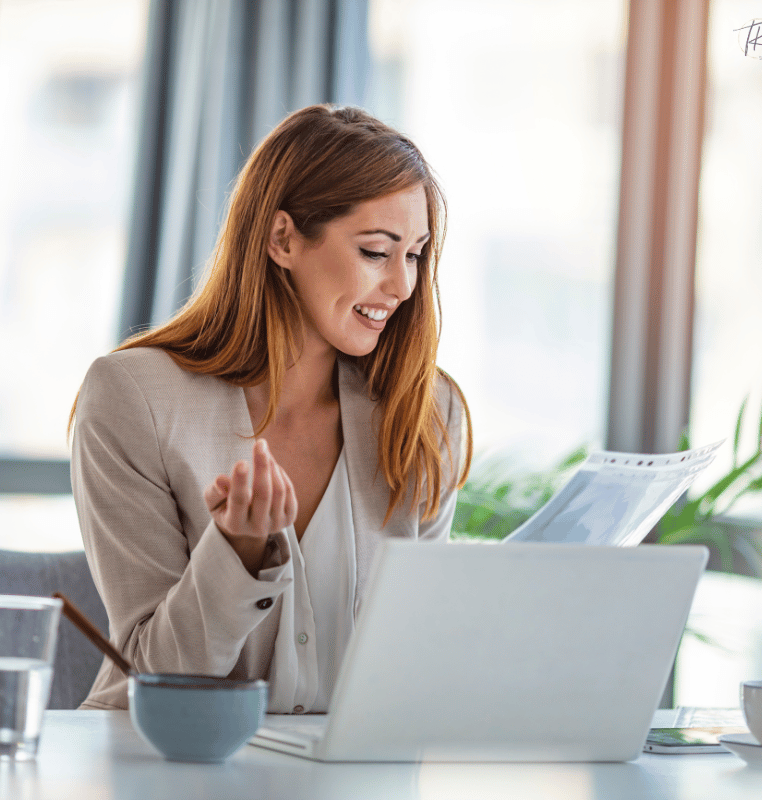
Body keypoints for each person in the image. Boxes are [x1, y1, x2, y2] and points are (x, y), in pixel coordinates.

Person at [68, 104, 473, 713]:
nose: (403, 286)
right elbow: (147, 673)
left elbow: (416, 663)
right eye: (375, 251)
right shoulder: (134, 398)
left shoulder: (423, 410)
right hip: (172, 770)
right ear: (283, 238)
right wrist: (236, 554)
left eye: (414, 254)